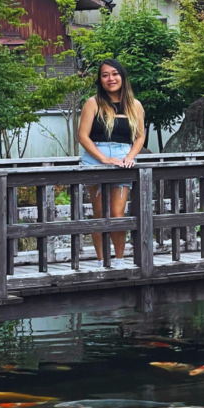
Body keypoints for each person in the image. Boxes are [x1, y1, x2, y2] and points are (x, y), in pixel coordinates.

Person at [78, 59, 146, 269]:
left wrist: (130, 157)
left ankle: (119, 260)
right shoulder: (93, 103)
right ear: (100, 80)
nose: (110, 79)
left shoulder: (135, 105)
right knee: (100, 214)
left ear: (122, 77)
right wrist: (103, 158)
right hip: (95, 157)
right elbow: (82, 136)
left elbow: (140, 137)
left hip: (122, 157)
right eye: (105, 75)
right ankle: (101, 261)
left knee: (118, 214)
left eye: (115, 74)